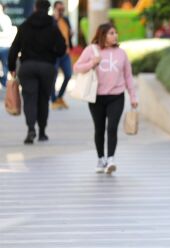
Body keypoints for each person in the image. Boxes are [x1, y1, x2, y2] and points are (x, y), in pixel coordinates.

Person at [73, 23, 138, 174]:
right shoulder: (91, 50)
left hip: (116, 96)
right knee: (99, 129)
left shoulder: (121, 53)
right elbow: (77, 67)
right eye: (111, 33)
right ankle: (100, 158)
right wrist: (91, 63)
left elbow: (128, 76)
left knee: (112, 128)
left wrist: (133, 97)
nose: (115, 36)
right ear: (103, 35)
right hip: (96, 97)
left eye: (115, 33)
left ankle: (111, 159)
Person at [8, 0, 66, 144]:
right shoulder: (53, 26)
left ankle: (30, 129)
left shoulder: (25, 26)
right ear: (48, 9)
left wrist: (12, 68)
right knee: (43, 100)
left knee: (29, 99)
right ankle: (42, 132)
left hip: (27, 67)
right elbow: (62, 48)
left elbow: (14, 48)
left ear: (35, 8)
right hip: (47, 67)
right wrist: (52, 55)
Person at [51, 1, 73, 110]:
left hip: (65, 53)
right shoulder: (51, 20)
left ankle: (59, 97)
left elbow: (68, 33)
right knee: (53, 77)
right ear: (54, 9)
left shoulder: (66, 19)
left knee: (68, 74)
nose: (61, 12)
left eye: (62, 9)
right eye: (59, 9)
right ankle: (53, 100)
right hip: (54, 54)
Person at [0, 3, 13, 88]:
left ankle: (4, 82)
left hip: (4, 46)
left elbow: (9, 33)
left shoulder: (6, 19)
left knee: (5, 66)